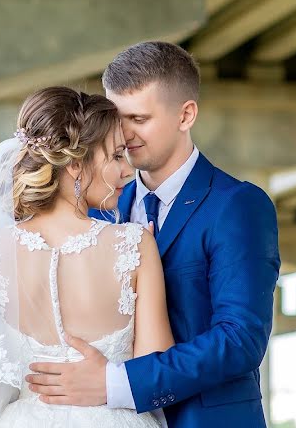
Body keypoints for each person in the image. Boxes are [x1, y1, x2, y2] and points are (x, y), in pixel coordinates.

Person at [26, 42, 280, 428]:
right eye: (118, 117)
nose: (124, 134)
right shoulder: (96, 206)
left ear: (186, 115)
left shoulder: (237, 206)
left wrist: (116, 384)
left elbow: (240, 339)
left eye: (140, 118)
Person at [0, 86, 175, 427]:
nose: (128, 171)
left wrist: (24, 410)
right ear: (76, 166)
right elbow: (157, 367)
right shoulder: (135, 245)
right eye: (116, 156)